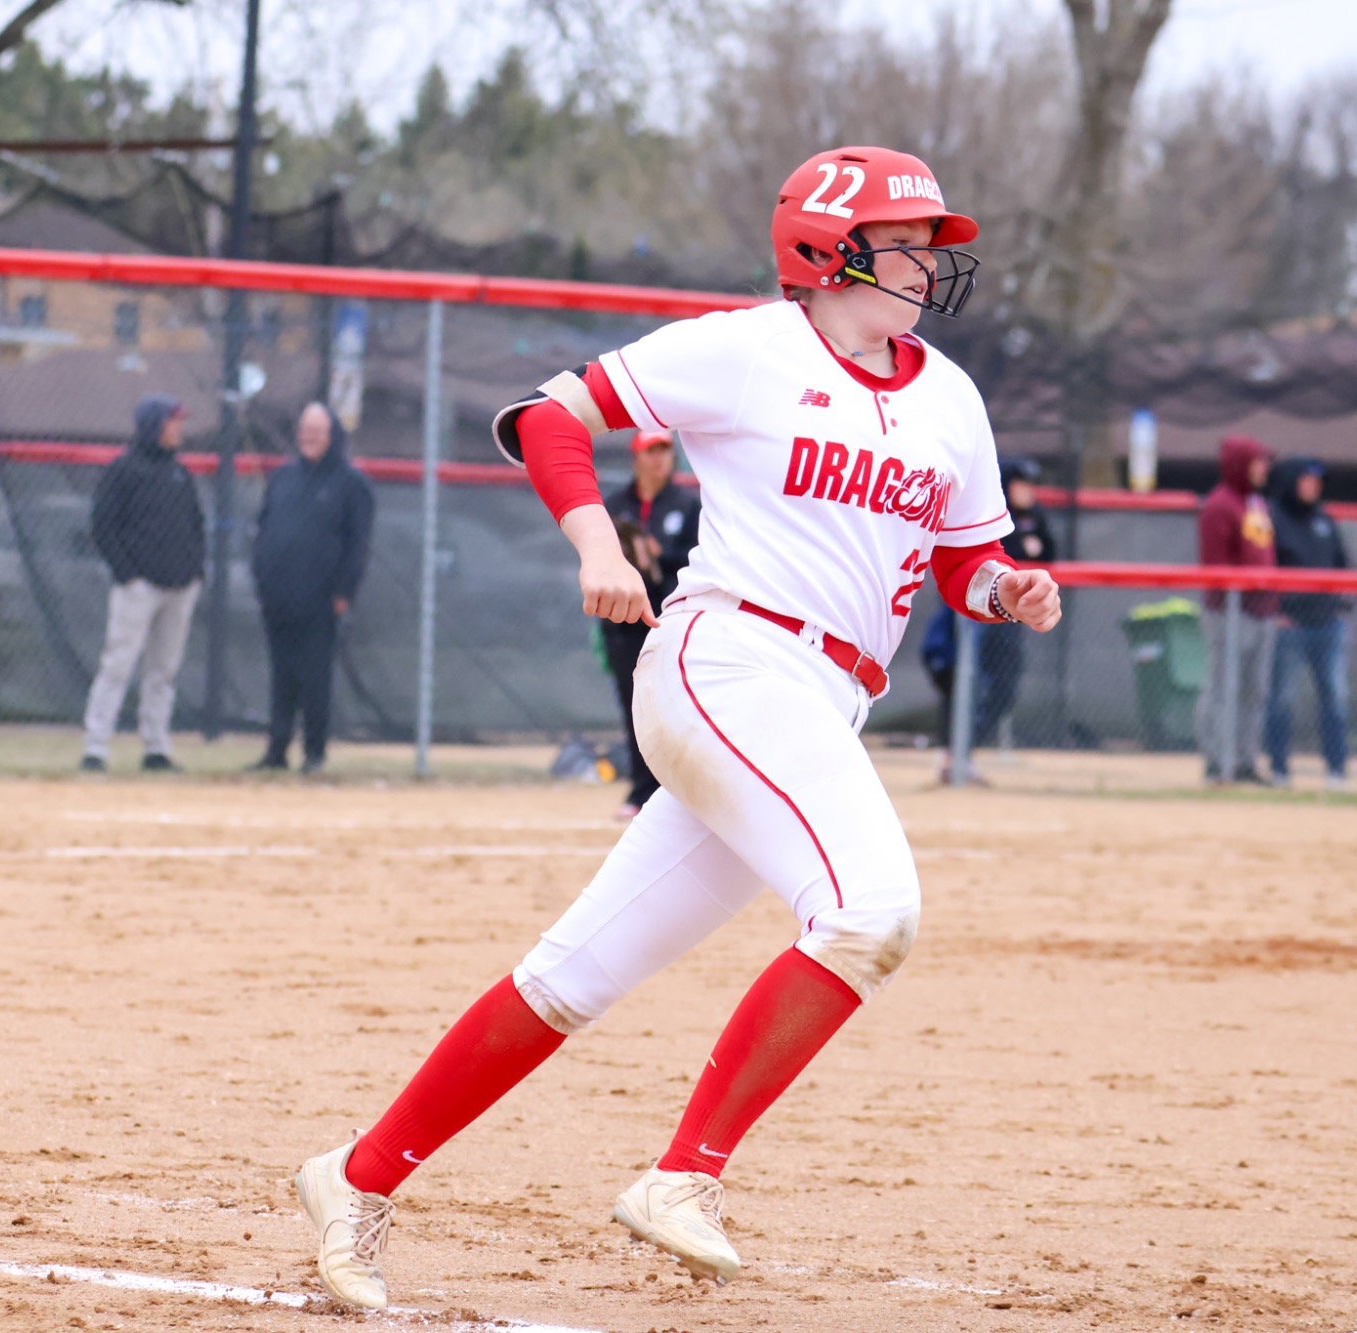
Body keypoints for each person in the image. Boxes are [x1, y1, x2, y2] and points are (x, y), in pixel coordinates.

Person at [289, 145, 1063, 1310]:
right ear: (830, 249)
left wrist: (1004, 587)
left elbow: (960, 555)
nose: (928, 261)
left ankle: (352, 1177)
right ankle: (683, 1177)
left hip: (818, 699)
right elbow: (551, 414)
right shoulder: (749, 348)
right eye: (906, 240)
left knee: (571, 978)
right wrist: (598, 546)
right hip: (729, 657)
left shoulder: (947, 396)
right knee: (869, 911)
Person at [79, 394, 206, 773]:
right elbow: (103, 524)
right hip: (140, 587)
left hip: (180, 585)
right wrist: (127, 573)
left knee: (163, 670)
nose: (178, 428)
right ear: (154, 426)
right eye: (172, 421)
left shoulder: (179, 473)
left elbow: (196, 525)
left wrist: (195, 569)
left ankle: (156, 746)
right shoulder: (125, 469)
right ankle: (96, 746)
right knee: (118, 664)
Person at [249, 403, 376, 775]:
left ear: (332, 434)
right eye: (304, 430)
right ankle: (276, 750)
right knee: (281, 676)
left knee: (315, 677)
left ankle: (314, 753)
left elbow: (358, 544)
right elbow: (264, 528)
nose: (309, 437)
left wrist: (343, 593)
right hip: (278, 595)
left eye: (317, 431)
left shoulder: (350, 483)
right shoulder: (283, 478)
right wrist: (262, 577)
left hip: (321, 600)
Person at [919, 454, 1056, 777]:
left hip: (1010, 615)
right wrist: (1025, 545)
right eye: (1023, 484)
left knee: (1003, 687)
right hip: (968, 615)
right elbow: (988, 552)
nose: (1028, 491)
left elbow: (1048, 550)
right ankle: (951, 756)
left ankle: (966, 751)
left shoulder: (1034, 513)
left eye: (1032, 485)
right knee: (959, 679)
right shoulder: (992, 508)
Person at [601, 428, 701, 815]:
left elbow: (696, 559)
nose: (659, 459)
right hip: (624, 620)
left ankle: (673, 793)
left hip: (668, 618)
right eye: (651, 451)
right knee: (633, 706)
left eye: (665, 451)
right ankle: (641, 791)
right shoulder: (615, 505)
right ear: (636, 458)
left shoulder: (686, 505)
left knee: (674, 707)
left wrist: (661, 554)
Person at [1262, 456, 1351, 790]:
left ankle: (1337, 770)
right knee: (1282, 698)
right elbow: (1266, 568)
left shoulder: (1325, 521)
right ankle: (1279, 769)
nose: (1312, 487)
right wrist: (1277, 611)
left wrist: (1341, 607)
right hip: (1290, 624)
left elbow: (1342, 566)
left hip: (1328, 623)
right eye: (1306, 480)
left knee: (1335, 696)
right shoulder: (1273, 518)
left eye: (1317, 482)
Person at [1193, 434, 1277, 784]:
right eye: (1256, 462)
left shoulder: (1256, 503)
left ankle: (1244, 761)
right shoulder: (1220, 505)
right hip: (1229, 612)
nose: (1263, 469)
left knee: (1254, 692)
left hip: (1262, 611)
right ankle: (1217, 761)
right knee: (1223, 689)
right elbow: (1215, 566)